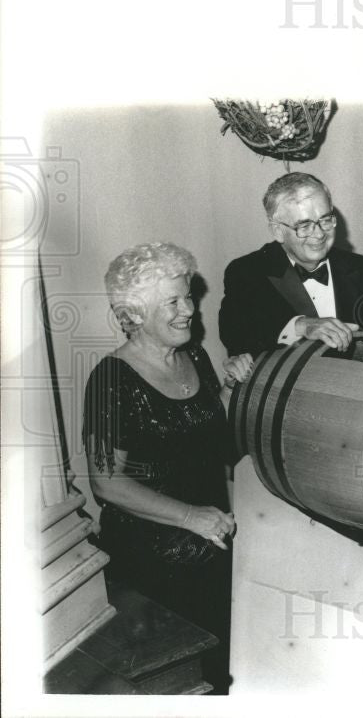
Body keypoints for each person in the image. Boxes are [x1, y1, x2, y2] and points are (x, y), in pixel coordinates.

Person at [84, 242, 254, 694]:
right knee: (179, 683)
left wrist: (233, 391)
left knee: (221, 671)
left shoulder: (193, 356)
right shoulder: (109, 380)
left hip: (212, 548)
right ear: (134, 314)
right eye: (173, 302)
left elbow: (215, 444)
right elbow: (105, 482)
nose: (189, 311)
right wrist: (189, 516)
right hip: (150, 566)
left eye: (188, 297)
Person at [219, 172, 363, 357]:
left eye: (325, 220)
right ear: (277, 231)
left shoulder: (362, 268)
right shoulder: (247, 272)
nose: (319, 234)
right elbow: (234, 336)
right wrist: (300, 326)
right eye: (304, 225)